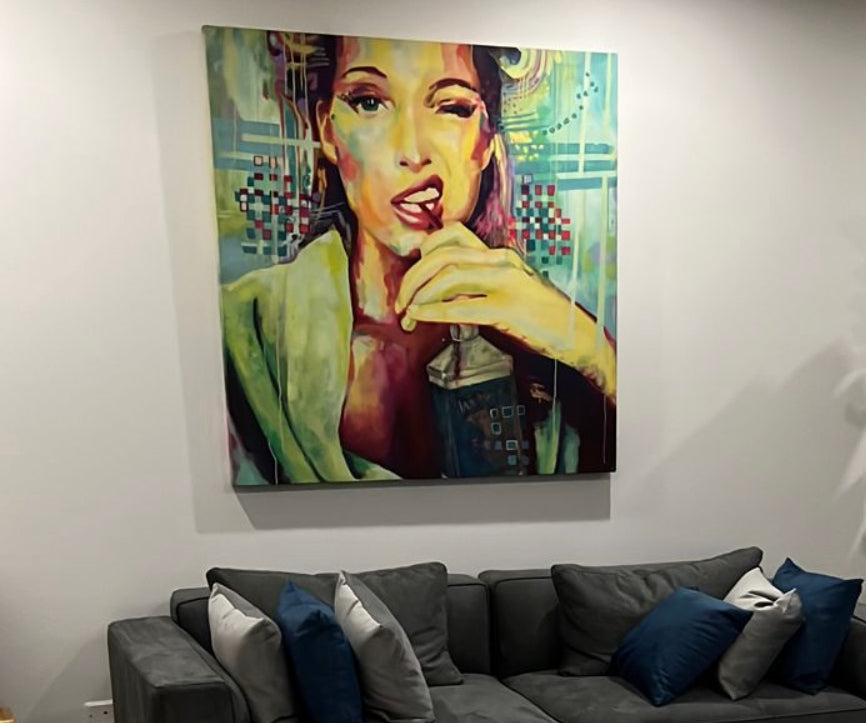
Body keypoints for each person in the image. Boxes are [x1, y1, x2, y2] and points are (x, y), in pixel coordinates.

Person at [220, 33, 617, 485]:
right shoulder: (245, 329)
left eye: (452, 107)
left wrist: (591, 348)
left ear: (487, 141)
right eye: (369, 102)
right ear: (328, 131)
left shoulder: (543, 341)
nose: (412, 153)